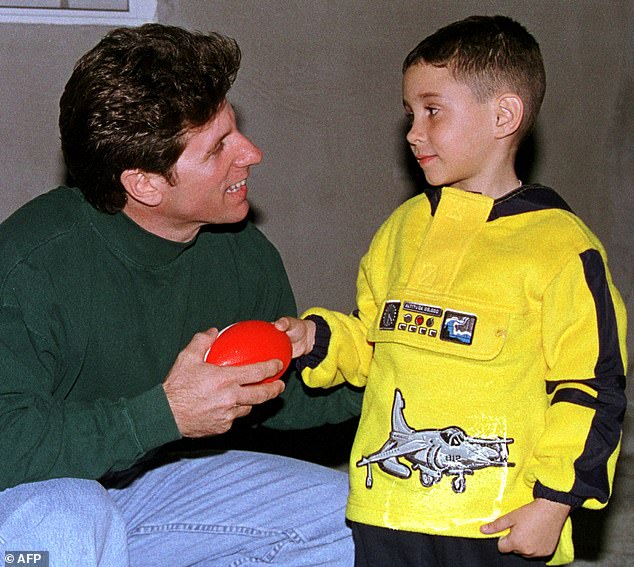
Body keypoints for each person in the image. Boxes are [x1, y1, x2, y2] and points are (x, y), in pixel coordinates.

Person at [0, 24, 362, 567]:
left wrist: (388, 365)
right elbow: (8, 442)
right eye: (219, 147)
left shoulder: (243, 254)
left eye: (234, 129)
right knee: (68, 518)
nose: (252, 153)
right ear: (144, 183)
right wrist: (163, 414)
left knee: (353, 520)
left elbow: (273, 400)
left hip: (152, 488)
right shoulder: (30, 265)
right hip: (32, 496)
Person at [276, 15, 628, 567]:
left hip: (493, 520)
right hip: (386, 509)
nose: (414, 131)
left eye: (433, 111)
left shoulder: (561, 246)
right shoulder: (401, 229)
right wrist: (317, 339)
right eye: (410, 115)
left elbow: (591, 386)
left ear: (504, 115)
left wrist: (556, 501)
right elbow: (374, 342)